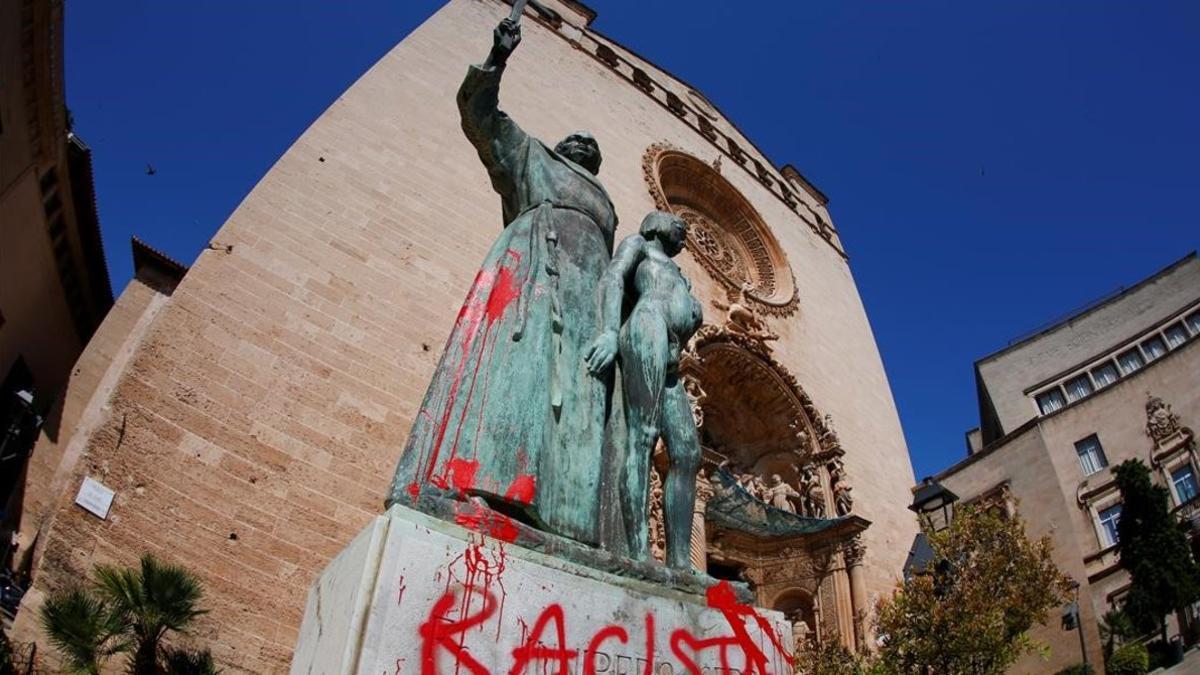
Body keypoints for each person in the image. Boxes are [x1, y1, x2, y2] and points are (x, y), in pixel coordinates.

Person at [388, 17, 617, 546]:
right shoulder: (531, 154)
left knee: (582, 405)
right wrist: (498, 57)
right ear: (561, 148)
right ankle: (487, 488)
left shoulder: (607, 206)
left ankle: (568, 522)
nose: (583, 142)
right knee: (518, 375)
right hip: (538, 270)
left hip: (589, 298)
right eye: (575, 139)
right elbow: (481, 117)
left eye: (591, 144)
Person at [585, 211, 703, 569]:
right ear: (654, 223)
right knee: (644, 436)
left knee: (687, 452)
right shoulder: (639, 245)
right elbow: (614, 278)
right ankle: (637, 552)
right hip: (646, 327)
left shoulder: (680, 273)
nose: (683, 228)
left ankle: (681, 563)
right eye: (675, 222)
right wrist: (608, 330)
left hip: (670, 352)